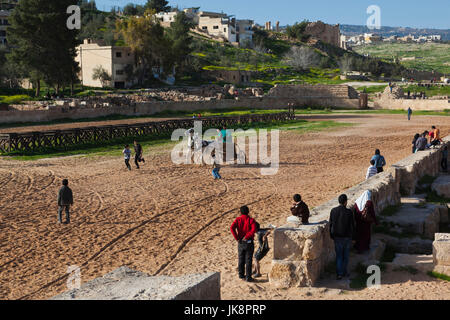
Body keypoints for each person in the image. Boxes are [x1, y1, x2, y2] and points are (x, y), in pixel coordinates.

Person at [329, 194, 355, 280]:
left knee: (339, 256)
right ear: (345, 202)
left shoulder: (333, 211)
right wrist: (354, 237)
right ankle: (344, 271)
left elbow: (331, 224)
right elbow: (352, 225)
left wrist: (331, 235)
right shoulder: (349, 212)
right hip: (347, 237)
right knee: (346, 255)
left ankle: (339, 274)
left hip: (337, 237)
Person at [230, 206, 257, 282]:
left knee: (241, 259)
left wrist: (237, 238)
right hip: (249, 242)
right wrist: (247, 236)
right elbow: (253, 229)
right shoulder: (251, 220)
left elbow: (232, 228)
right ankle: (248, 277)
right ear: (248, 212)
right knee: (248, 260)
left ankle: (241, 275)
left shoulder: (238, 219)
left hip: (241, 242)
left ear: (240, 212)